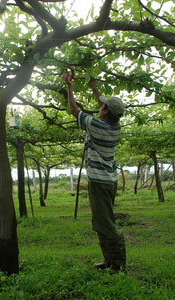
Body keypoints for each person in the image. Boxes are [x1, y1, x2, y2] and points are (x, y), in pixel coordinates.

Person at [62, 70, 126, 273]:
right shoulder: (114, 126)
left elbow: (74, 110)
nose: (101, 107)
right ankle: (108, 260)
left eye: (103, 106)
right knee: (100, 220)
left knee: (105, 222)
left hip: (99, 182)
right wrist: (93, 86)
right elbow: (104, 107)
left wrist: (70, 86)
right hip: (108, 180)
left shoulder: (97, 126)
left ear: (106, 112)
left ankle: (118, 264)